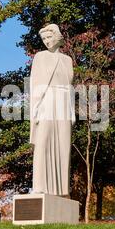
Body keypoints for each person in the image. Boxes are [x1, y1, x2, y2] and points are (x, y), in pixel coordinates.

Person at [29, 24, 75, 197]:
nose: (47, 41)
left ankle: (62, 190)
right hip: (46, 101)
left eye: (49, 37)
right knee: (43, 142)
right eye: (44, 39)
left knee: (63, 145)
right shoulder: (40, 57)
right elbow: (35, 84)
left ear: (58, 37)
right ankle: (40, 187)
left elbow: (70, 87)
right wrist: (36, 108)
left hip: (63, 103)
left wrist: (71, 111)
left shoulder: (67, 60)